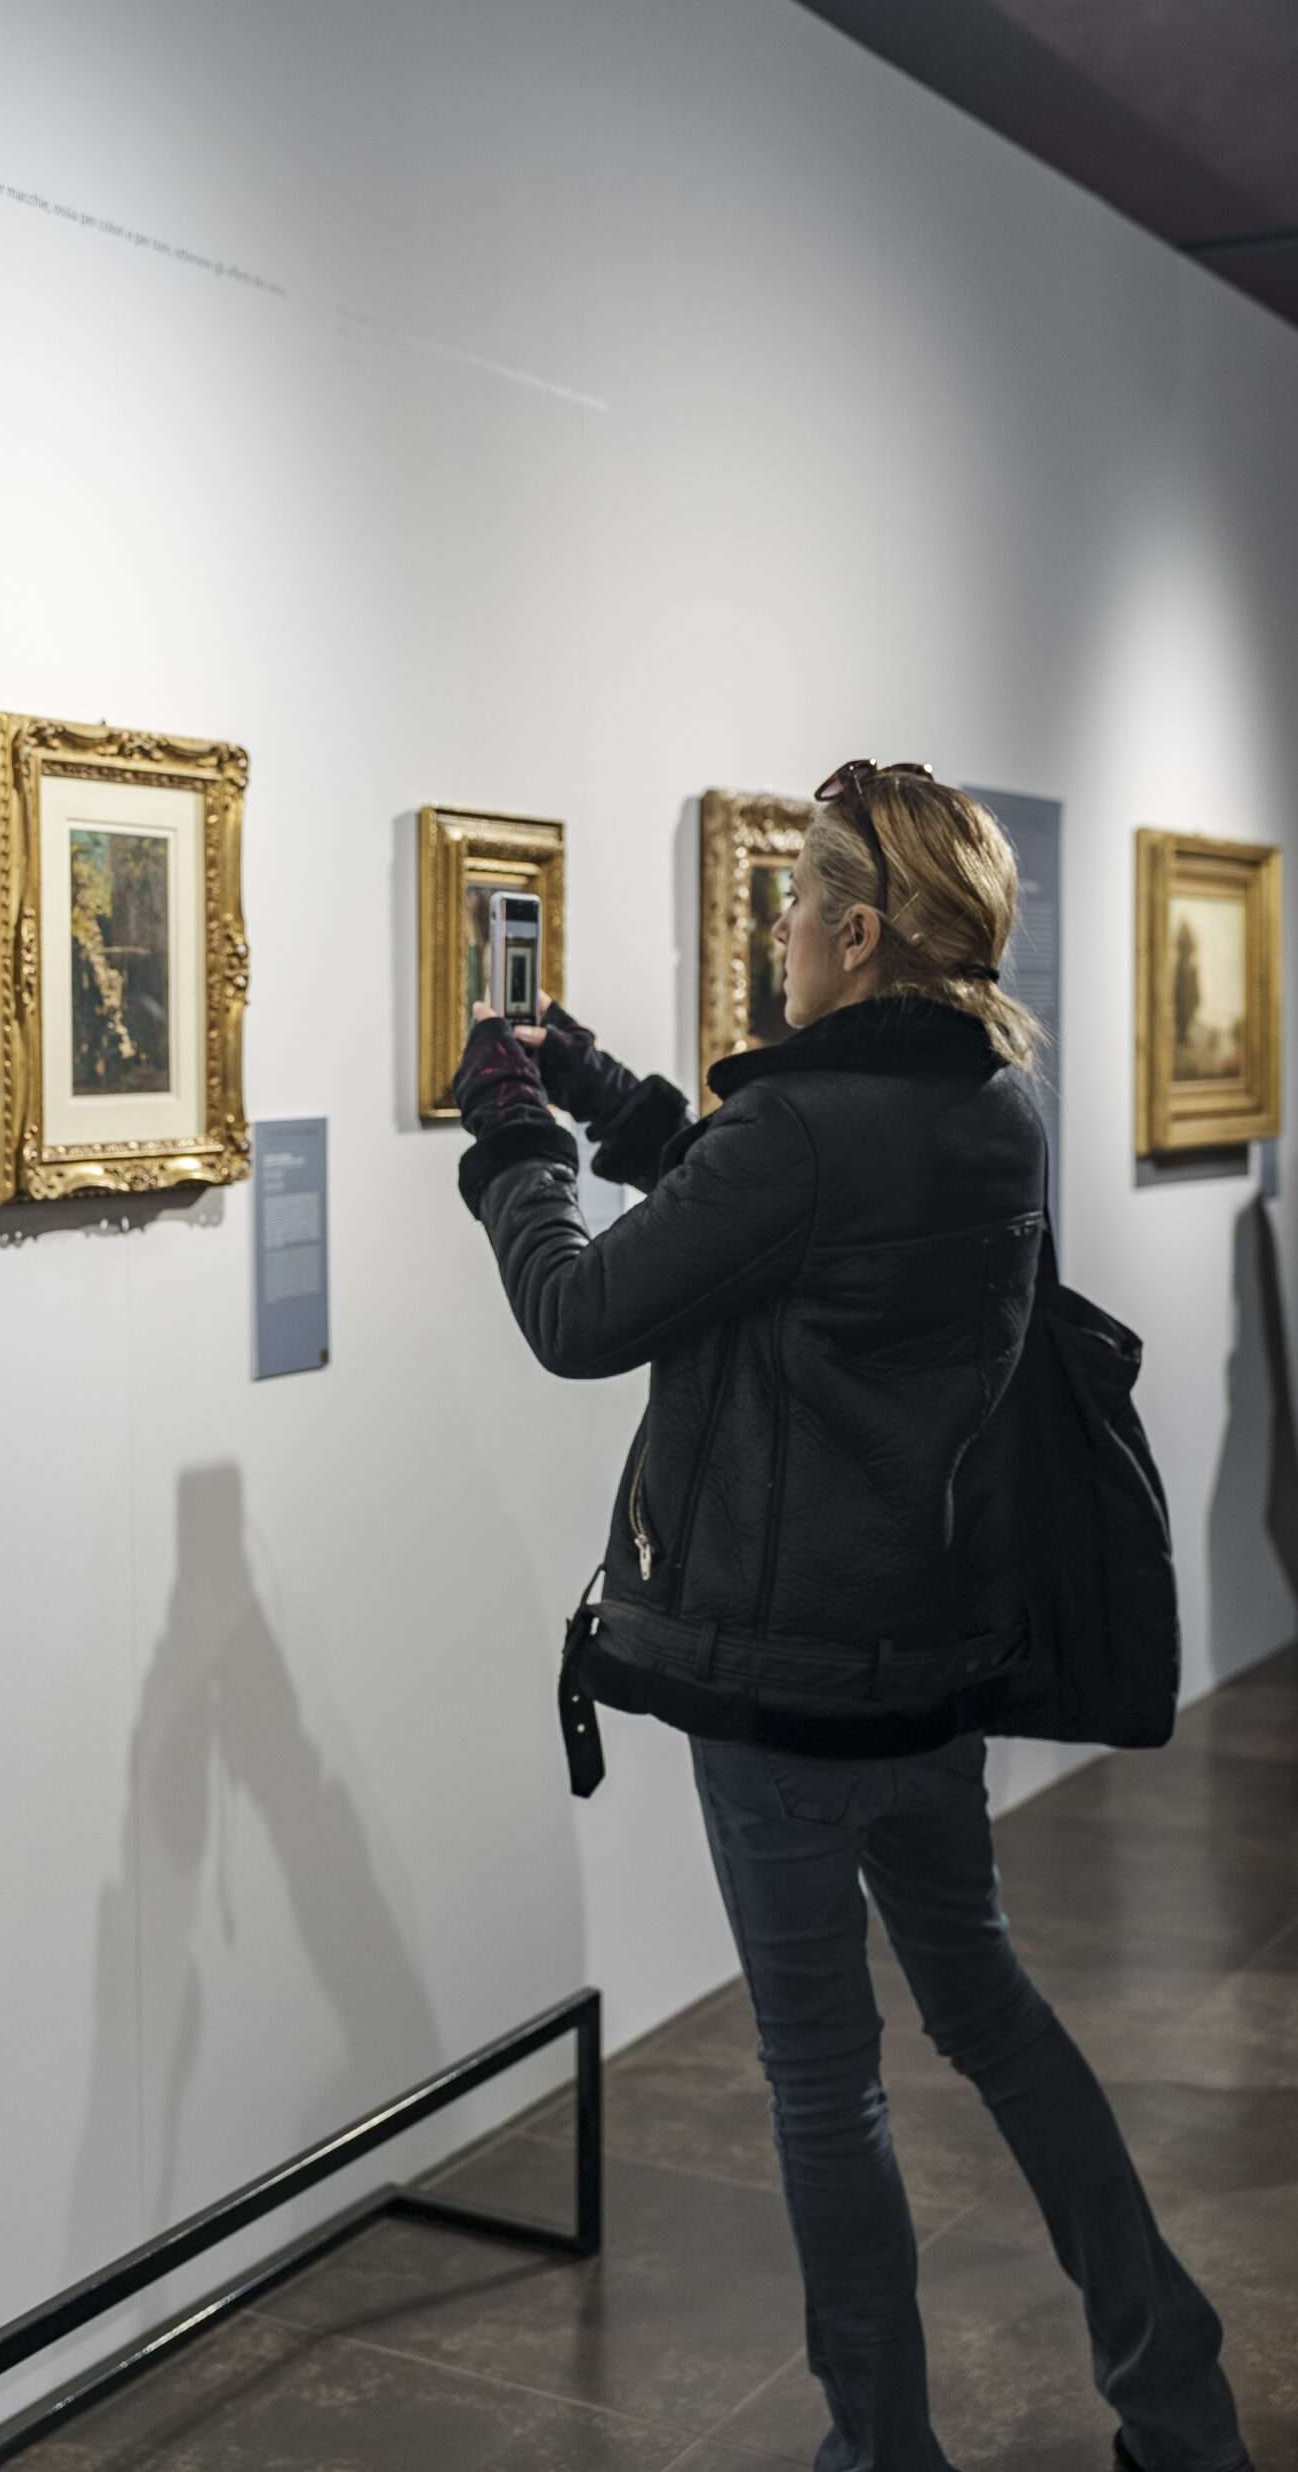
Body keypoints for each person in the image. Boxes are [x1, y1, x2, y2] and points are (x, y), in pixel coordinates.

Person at [448, 761, 1253, 2472]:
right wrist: (594, 1084)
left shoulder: (806, 1129)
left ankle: (881, 2454)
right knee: (990, 2015)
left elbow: (582, 1313)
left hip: (783, 1693)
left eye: (797, 907)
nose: (781, 936)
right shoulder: (991, 1101)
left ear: (861, 929)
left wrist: (514, 1143)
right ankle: (1174, 2394)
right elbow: (769, 1218)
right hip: (928, 1669)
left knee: (824, 2082)